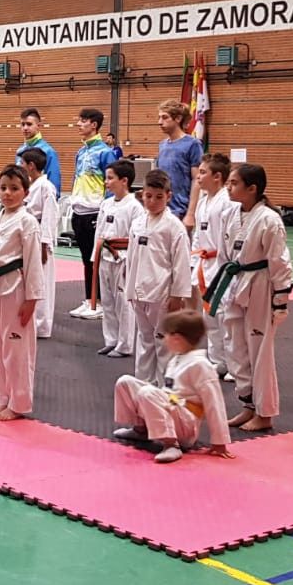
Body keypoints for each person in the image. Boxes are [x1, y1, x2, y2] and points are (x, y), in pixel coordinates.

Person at [206, 163, 293, 434]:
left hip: (260, 286)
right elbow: (225, 254)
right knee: (235, 347)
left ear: (252, 189)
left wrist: (280, 300)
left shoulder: (269, 219)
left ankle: (265, 412)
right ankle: (248, 404)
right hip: (234, 284)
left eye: (234, 183)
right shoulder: (233, 214)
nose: (229, 187)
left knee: (260, 352)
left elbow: (279, 262)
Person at [112, 310, 233, 463]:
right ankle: (141, 429)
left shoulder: (201, 365)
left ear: (177, 338)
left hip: (186, 424)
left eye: (165, 335)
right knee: (125, 382)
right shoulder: (176, 359)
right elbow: (169, 391)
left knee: (147, 392)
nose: (164, 340)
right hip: (172, 409)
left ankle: (171, 444)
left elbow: (214, 403)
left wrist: (219, 441)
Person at [0, 165, 45, 421]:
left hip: (16, 288)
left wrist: (32, 299)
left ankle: (19, 402)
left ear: (25, 191)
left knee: (16, 348)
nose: (7, 193)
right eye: (3, 188)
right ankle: (2, 398)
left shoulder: (27, 222)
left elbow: (34, 263)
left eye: (14, 189)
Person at [127, 169, 192, 385]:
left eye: (158, 197)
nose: (152, 202)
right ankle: (143, 387)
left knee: (164, 344)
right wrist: (128, 288)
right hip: (138, 290)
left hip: (162, 292)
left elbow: (181, 263)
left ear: (169, 196)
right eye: (148, 196)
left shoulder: (174, 227)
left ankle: (167, 392)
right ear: (142, 194)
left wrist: (178, 294)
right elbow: (132, 259)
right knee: (144, 341)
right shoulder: (137, 223)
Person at [68, 109, 120, 319]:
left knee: (94, 258)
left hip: (94, 211)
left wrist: (106, 209)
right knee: (84, 258)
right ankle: (89, 298)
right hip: (79, 209)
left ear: (94, 125)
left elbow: (109, 183)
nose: (79, 124)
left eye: (83, 121)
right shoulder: (81, 152)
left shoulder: (105, 152)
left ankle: (98, 301)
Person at [190, 154, 235, 380]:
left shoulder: (227, 203)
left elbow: (229, 238)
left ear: (218, 177)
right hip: (205, 264)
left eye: (203, 172)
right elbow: (198, 236)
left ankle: (234, 364)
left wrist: (227, 267)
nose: (198, 177)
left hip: (222, 265)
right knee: (209, 315)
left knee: (226, 316)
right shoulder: (203, 201)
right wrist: (194, 262)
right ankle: (217, 361)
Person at [96, 160, 143, 359]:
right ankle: (111, 339)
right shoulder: (106, 204)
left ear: (124, 181)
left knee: (123, 303)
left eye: (110, 178)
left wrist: (131, 263)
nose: (106, 182)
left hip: (123, 258)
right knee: (107, 301)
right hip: (105, 255)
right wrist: (95, 256)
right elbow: (99, 231)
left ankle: (124, 344)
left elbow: (137, 238)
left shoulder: (134, 207)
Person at [19, 147, 59, 339]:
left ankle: (42, 325)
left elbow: (50, 216)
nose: (20, 166)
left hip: (41, 236)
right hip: (28, 235)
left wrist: (45, 243)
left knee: (42, 282)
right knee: (31, 280)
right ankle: (33, 320)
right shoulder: (31, 186)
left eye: (22, 163)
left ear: (31, 166)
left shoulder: (46, 187)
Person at [156, 99, 204, 222]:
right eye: (159, 118)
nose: (159, 122)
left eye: (164, 117)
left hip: (181, 210)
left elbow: (197, 180)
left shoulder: (192, 144)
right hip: (163, 209)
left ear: (178, 118)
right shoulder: (162, 145)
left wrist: (191, 214)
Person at [16, 108, 62, 193]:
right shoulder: (20, 151)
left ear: (38, 126)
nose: (25, 128)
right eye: (23, 124)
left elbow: (54, 183)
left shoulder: (48, 151)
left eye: (29, 124)